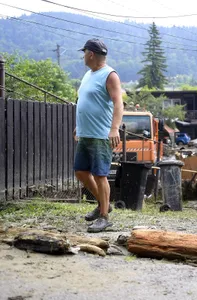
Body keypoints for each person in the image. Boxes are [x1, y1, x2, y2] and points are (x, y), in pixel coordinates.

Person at [74, 38, 123, 233]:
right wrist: (79, 126)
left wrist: (114, 129)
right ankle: (104, 204)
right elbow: (85, 102)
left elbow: (118, 103)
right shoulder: (88, 74)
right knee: (80, 171)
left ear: (91, 54)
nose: (83, 56)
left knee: (100, 175)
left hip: (101, 135)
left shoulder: (109, 75)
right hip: (85, 133)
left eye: (84, 52)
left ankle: (104, 217)